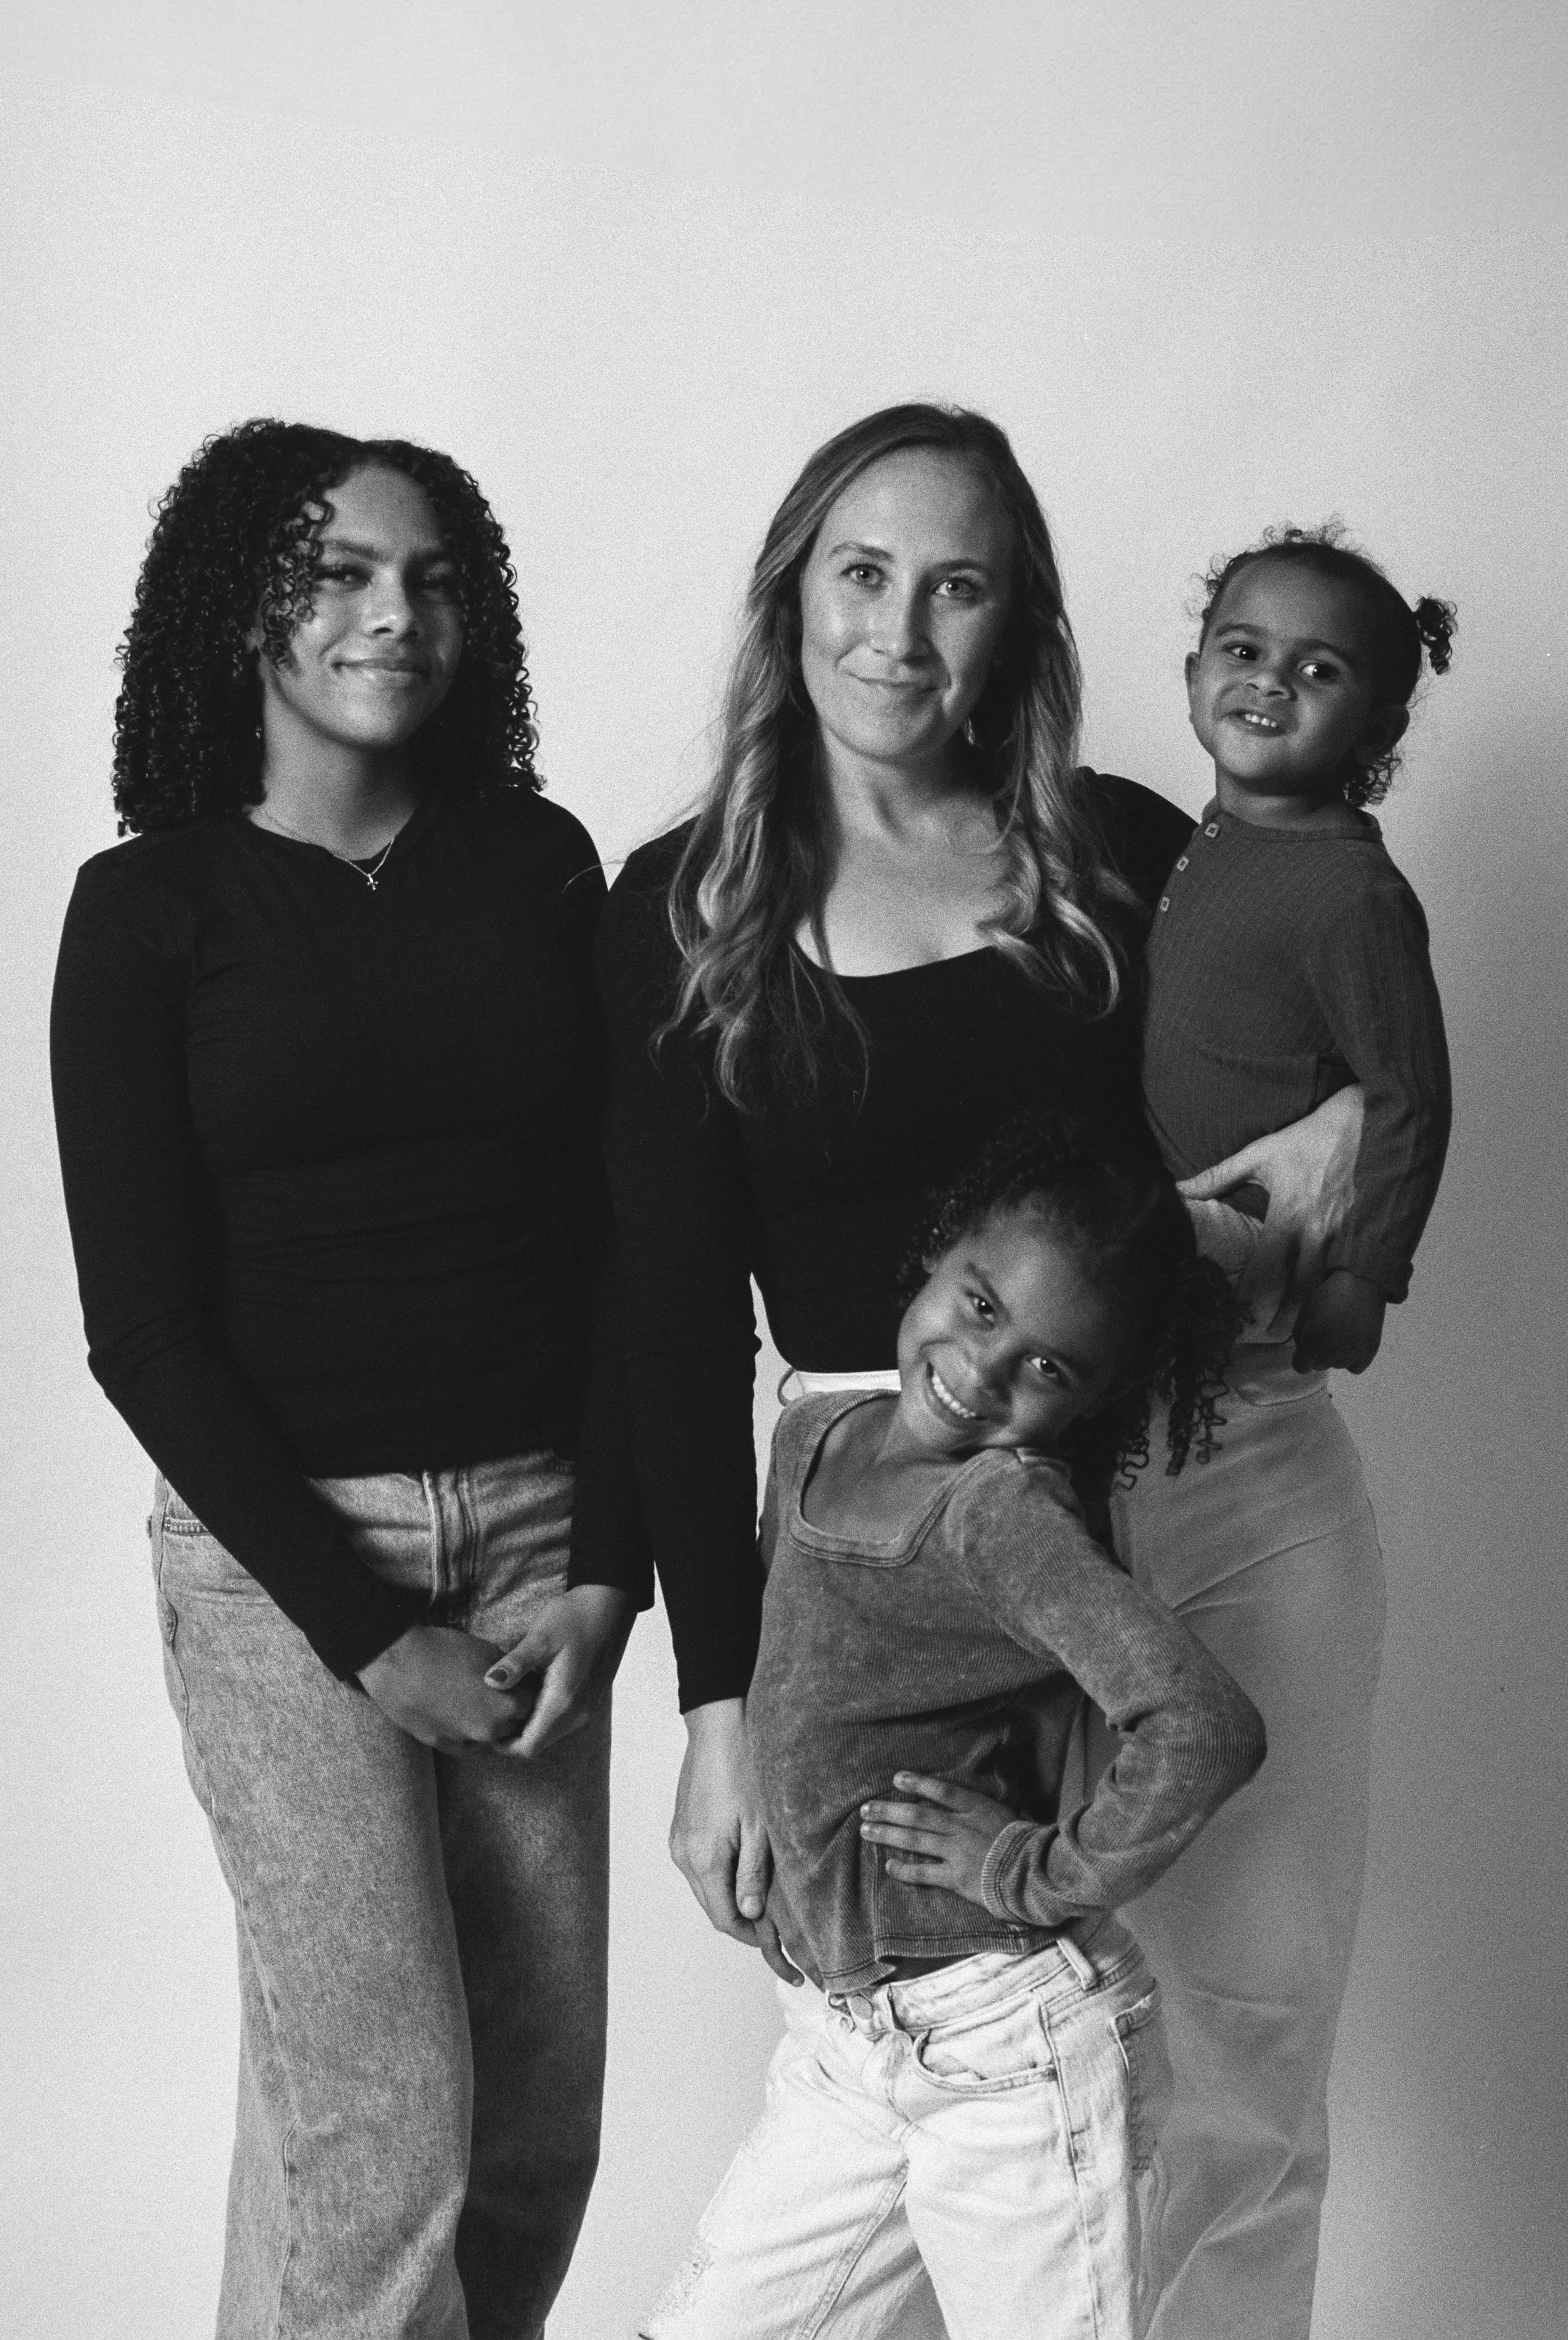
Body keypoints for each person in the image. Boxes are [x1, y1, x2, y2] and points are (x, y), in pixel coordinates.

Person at [588, 400, 1356, 1998]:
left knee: (1243, 2029)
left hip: (1191, 1469)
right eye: (861, 573)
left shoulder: (1127, 850)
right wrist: (718, 1705)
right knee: (940, 2027)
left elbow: (1342, 1074)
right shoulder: (679, 911)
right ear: (791, 591)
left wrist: (1347, 1133)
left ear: (1015, 619)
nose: (896, 630)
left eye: (956, 585)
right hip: (890, 1538)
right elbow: (668, 1335)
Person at [50, 421, 645, 2340]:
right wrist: (367, 1630)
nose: (395, 613)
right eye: (336, 572)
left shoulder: (540, 868)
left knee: (534, 2126)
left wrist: (606, 1569)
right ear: (241, 611)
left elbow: (631, 1243)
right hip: (282, 1570)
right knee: (382, 2137)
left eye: (431, 577)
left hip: (541, 1531)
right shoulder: (146, 911)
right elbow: (141, 1328)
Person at [642, 1114, 1266, 2340]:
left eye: (1047, 1367)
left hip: (1010, 2053)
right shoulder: (813, 1437)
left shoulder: (1001, 1514)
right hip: (845, 2045)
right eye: (978, 1305)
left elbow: (1202, 1721)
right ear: (934, 1254)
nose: (981, 1371)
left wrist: (1033, 1865)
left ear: (1090, 1396)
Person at [1108, 524, 1454, 2336]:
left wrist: (1350, 1290)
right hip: (1098, 1431)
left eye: (1314, 670)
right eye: (1235, 648)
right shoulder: (1182, 853)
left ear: (1378, 723)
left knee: (1239, 2009)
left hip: (1247, 1405)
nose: (1262, 684)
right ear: (1189, 674)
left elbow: (1405, 1098)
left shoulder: (1343, 893)